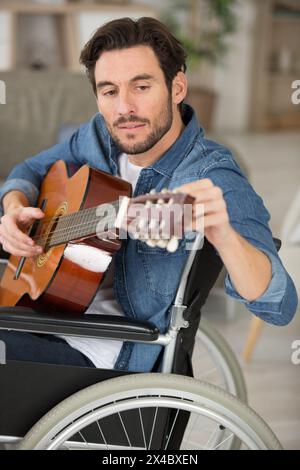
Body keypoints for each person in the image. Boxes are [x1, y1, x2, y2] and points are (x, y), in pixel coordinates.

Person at [0, 17, 297, 372]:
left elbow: (279, 304)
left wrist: (224, 236)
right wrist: (14, 205)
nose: (124, 107)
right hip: (45, 314)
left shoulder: (210, 177)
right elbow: (30, 169)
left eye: (141, 87)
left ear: (178, 88)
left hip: (104, 356)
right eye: (109, 91)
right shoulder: (99, 135)